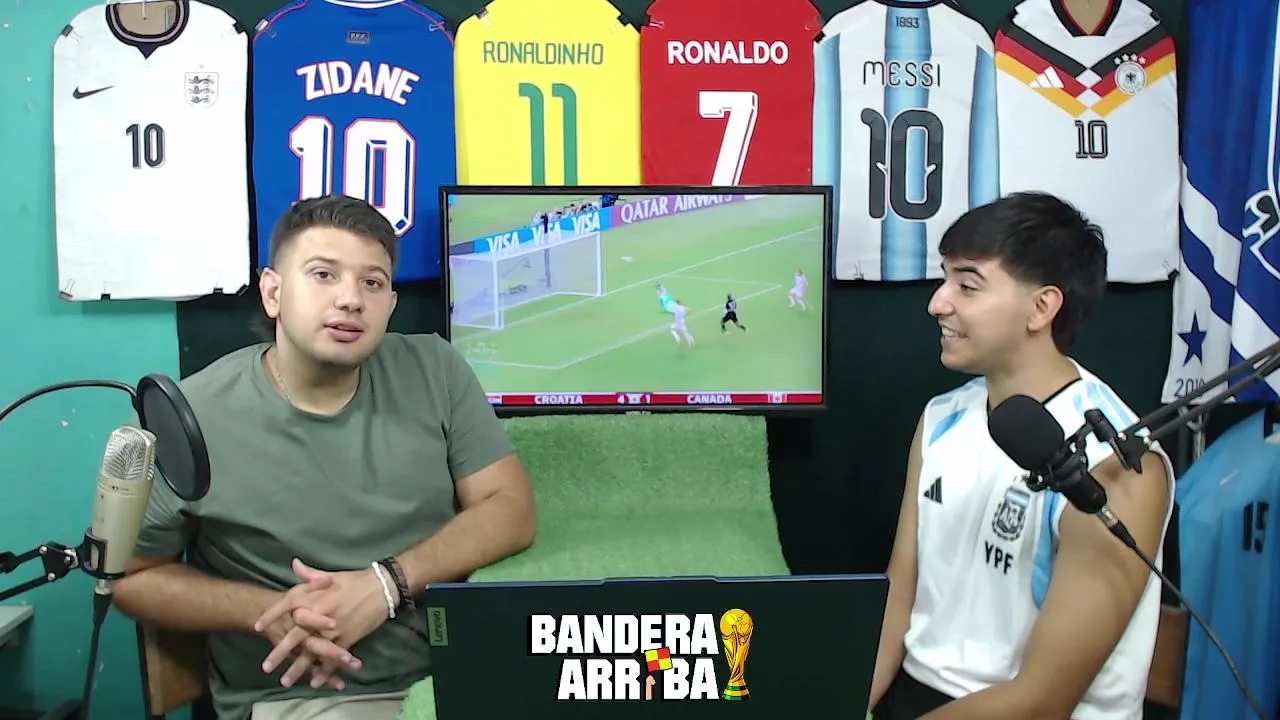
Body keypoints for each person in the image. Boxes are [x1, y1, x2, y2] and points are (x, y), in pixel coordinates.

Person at [112, 195, 538, 720]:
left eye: (372, 283)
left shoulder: (434, 368)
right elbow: (129, 578)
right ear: (273, 292)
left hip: (451, 677)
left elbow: (510, 508)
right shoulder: (185, 418)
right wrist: (268, 612)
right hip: (301, 696)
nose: (350, 299)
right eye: (323, 275)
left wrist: (386, 584)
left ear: (390, 304)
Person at [869, 192, 1174, 720]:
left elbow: (1041, 701)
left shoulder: (1117, 468)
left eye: (967, 286)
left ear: (1041, 307)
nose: (938, 303)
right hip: (916, 697)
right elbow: (899, 598)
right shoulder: (942, 418)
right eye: (944, 279)